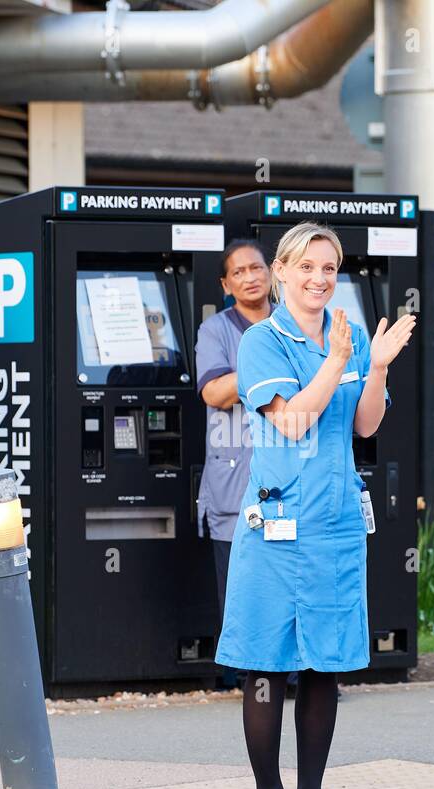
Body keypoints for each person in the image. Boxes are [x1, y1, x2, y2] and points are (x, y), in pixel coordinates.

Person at [215, 222, 415, 789]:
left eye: (329, 269)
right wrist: (334, 363)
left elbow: (363, 426)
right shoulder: (261, 343)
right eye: (306, 267)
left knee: (325, 662)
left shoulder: (346, 335)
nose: (319, 279)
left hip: (333, 521)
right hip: (279, 520)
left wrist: (375, 368)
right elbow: (295, 422)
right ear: (280, 272)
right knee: (267, 661)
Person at [196, 239, 273, 692]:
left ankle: (294, 670)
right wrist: (269, 368)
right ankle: (245, 673)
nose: (249, 277)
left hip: (288, 476)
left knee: (285, 575)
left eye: (256, 268)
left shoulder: (293, 321)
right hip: (233, 480)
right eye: (239, 272)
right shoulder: (216, 331)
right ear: (226, 285)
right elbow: (214, 393)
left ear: (272, 272)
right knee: (239, 582)